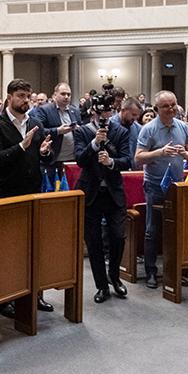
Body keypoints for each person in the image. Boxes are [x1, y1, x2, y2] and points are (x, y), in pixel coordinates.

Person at [0, 79, 54, 314]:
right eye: (22, 96)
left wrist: (44, 153)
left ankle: (36, 295)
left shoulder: (35, 123)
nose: (26, 100)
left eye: (28, 96)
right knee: (9, 250)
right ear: (9, 97)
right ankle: (6, 299)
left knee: (34, 247)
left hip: (34, 193)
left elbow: (44, 158)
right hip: (9, 195)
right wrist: (22, 146)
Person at [133, 90, 188, 289]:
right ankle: (151, 272)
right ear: (157, 109)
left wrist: (186, 154)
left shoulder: (183, 126)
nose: (171, 109)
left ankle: (173, 271)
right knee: (152, 229)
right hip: (154, 184)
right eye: (166, 106)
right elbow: (138, 158)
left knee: (175, 228)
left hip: (176, 184)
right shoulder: (149, 129)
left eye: (173, 105)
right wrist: (160, 152)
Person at [73, 98, 131, 303]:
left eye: (108, 112)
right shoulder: (82, 131)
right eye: (101, 112)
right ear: (93, 112)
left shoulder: (121, 132)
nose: (104, 116)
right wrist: (95, 143)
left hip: (113, 193)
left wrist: (111, 161)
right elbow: (80, 158)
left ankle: (114, 276)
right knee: (94, 241)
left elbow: (128, 160)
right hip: (91, 193)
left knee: (118, 236)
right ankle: (101, 286)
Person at [35, 83, 81, 163]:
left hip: (73, 159)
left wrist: (79, 129)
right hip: (53, 159)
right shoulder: (44, 110)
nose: (66, 97)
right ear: (55, 95)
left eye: (68, 94)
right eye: (63, 94)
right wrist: (58, 131)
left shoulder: (75, 111)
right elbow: (38, 131)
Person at [109, 97, 143, 168]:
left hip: (132, 172)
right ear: (123, 110)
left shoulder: (139, 128)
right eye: (133, 115)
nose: (136, 118)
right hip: (113, 170)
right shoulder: (109, 126)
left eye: (137, 115)